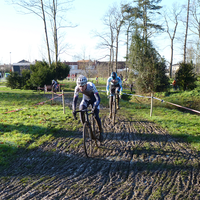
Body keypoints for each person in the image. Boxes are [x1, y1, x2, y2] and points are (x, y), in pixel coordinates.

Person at [72, 75, 103, 139]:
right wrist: (74, 110)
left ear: (86, 84)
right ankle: (86, 127)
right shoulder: (77, 88)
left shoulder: (91, 86)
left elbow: (98, 99)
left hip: (94, 100)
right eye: (80, 86)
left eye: (83, 86)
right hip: (85, 100)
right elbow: (74, 100)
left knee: (96, 115)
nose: (81, 88)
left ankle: (101, 131)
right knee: (81, 109)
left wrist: (95, 106)